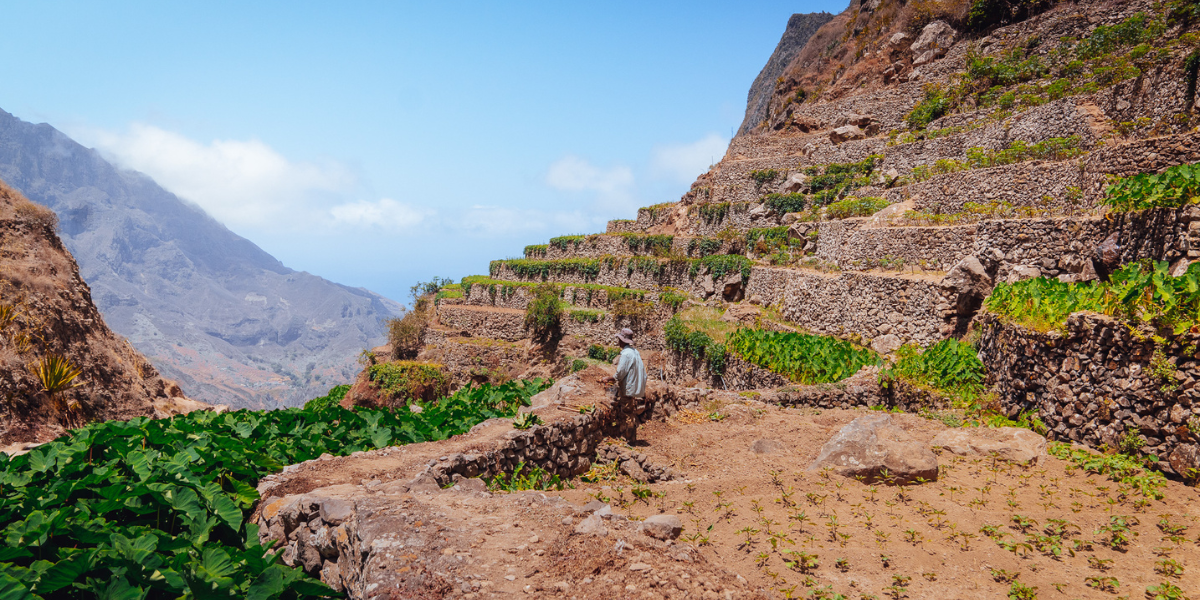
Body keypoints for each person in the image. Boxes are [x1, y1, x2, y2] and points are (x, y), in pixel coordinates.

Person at [611, 327, 646, 441]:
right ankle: (631, 437)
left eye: (619, 339)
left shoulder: (626, 354)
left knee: (626, 413)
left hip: (628, 388)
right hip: (634, 387)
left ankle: (628, 439)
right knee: (630, 412)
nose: (618, 341)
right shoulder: (635, 352)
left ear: (622, 340)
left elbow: (621, 372)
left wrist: (611, 378)